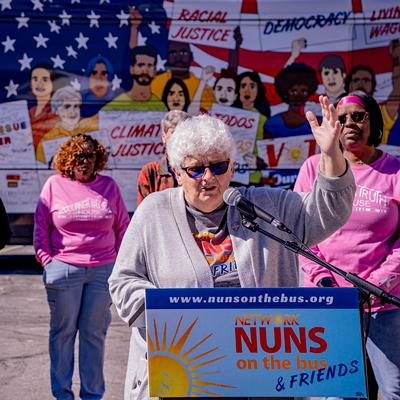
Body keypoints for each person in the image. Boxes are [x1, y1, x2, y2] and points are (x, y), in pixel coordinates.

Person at [108, 98, 356, 400]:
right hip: (184, 378)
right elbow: (123, 282)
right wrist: (168, 314)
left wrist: (331, 154)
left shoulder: (267, 205)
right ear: (177, 172)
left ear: (233, 167)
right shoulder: (153, 211)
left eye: (218, 166)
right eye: (196, 169)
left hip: (262, 376)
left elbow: (327, 212)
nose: (208, 177)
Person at [294, 90, 400, 400]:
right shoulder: (314, 168)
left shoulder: (395, 171)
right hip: (326, 301)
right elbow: (300, 233)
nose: (350, 122)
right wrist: (324, 281)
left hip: (383, 301)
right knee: (329, 391)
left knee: (393, 390)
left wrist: (374, 285)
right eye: (342, 118)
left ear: (372, 121)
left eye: (358, 115)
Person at [34, 133, 130, 400]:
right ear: (68, 159)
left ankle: (92, 395)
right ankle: (62, 394)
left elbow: (122, 226)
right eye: (78, 156)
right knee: (62, 333)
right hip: (63, 269)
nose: (84, 161)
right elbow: (41, 227)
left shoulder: (109, 186)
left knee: (94, 334)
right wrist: (47, 261)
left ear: (98, 158)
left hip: (103, 271)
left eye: (89, 155)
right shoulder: (53, 185)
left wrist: (119, 262)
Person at [136, 109, 190, 206]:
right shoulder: (150, 172)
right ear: (164, 136)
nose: (178, 137)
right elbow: (143, 215)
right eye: (173, 132)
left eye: (182, 132)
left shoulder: (201, 170)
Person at [36, 86, 98, 164]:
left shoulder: (90, 131)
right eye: (67, 106)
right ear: (56, 110)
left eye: (76, 106)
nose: (72, 111)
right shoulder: (46, 139)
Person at [101, 45, 167, 111]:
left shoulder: (160, 107)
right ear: (131, 69)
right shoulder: (116, 105)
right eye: (140, 65)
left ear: (155, 72)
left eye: (149, 66)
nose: (145, 70)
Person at [263, 62, 319, 138]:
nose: (298, 96)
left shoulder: (317, 121)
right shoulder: (271, 124)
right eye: (293, 91)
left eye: (303, 91)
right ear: (285, 92)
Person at [28, 62, 64, 151]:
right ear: (31, 84)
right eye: (35, 79)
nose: (40, 83)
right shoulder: (30, 112)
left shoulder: (57, 110)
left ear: (53, 84)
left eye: (45, 79)